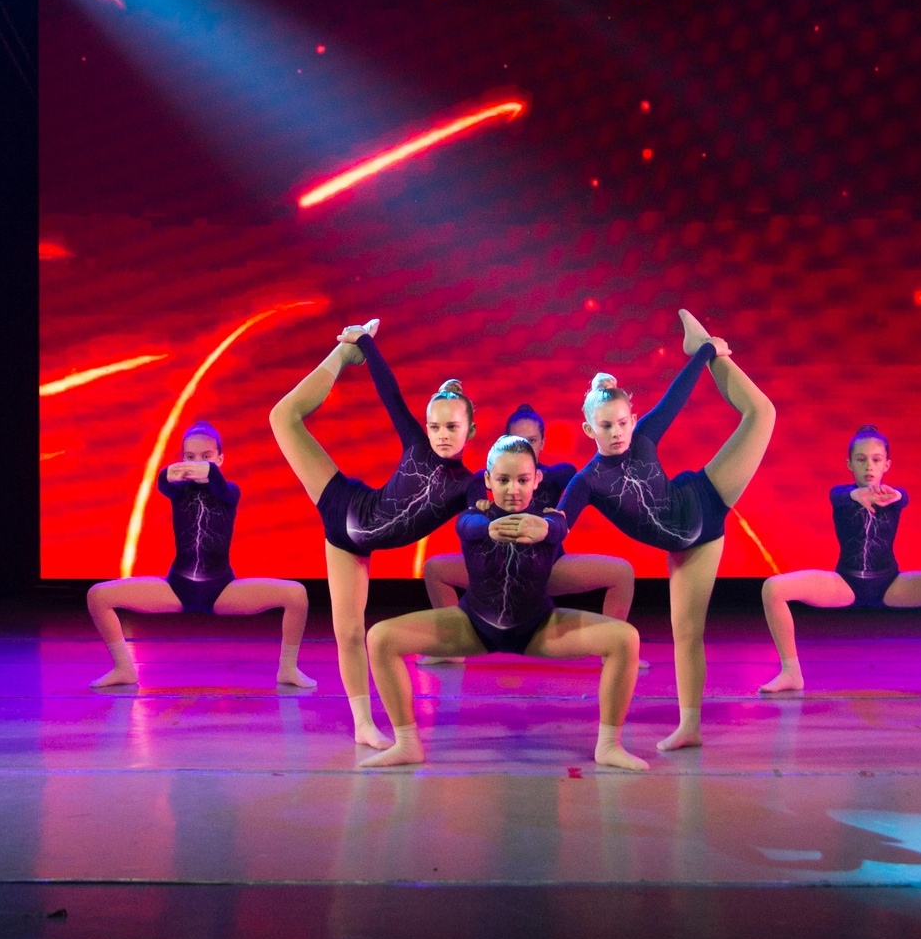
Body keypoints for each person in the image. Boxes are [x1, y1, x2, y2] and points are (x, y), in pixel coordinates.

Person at [358, 436, 647, 772]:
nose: (513, 489)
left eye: (523, 480)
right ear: (488, 480)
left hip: (538, 628)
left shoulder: (550, 518)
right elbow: (466, 525)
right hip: (473, 626)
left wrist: (543, 527)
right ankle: (407, 744)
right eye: (504, 480)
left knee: (625, 638)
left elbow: (557, 527)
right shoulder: (473, 517)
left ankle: (609, 745)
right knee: (380, 637)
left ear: (537, 479)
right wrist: (490, 526)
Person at [567, 309, 777, 752]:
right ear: (590, 429)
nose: (619, 432)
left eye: (624, 422)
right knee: (687, 633)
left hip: (705, 497)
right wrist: (536, 527)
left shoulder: (643, 438)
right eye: (607, 426)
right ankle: (690, 727)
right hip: (692, 544)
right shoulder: (587, 481)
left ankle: (710, 348)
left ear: (632, 418)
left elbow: (674, 399)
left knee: (762, 413)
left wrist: (703, 353)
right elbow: (560, 523)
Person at [268, 320, 480, 746]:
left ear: (470, 431)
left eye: (452, 428)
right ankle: (342, 354)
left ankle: (366, 726)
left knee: (351, 632)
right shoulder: (417, 446)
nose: (441, 435)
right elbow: (391, 395)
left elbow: (482, 511)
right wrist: (364, 342)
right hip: (343, 503)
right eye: (435, 427)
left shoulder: (469, 485)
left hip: (350, 543)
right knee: (282, 417)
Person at [756, 426, 921, 694]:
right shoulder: (842, 494)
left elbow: (903, 497)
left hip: (889, 583)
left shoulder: (893, 497)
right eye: (860, 460)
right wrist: (855, 495)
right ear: (849, 464)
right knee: (773, 588)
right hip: (845, 583)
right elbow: (837, 495)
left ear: (887, 464)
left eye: (876, 459)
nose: (868, 466)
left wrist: (898, 495)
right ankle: (791, 673)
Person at [85, 421, 315, 690]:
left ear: (220, 458)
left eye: (206, 457)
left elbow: (218, 484)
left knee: (297, 594)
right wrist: (168, 473)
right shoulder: (179, 492)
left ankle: (288, 669)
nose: (198, 463)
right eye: (190, 457)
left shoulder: (230, 492)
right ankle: (124, 668)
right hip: (177, 588)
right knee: (97, 595)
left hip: (222, 590)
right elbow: (163, 483)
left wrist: (207, 470)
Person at [417, 403, 634, 663]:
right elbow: (469, 517)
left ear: (542, 441)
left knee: (622, 572)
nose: (525, 447)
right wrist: (481, 509)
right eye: (518, 440)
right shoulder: (482, 481)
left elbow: (586, 487)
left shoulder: (558, 475)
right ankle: (454, 649)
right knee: (434, 569)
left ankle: (613, 653)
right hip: (496, 570)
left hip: (546, 568)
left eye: (531, 440)